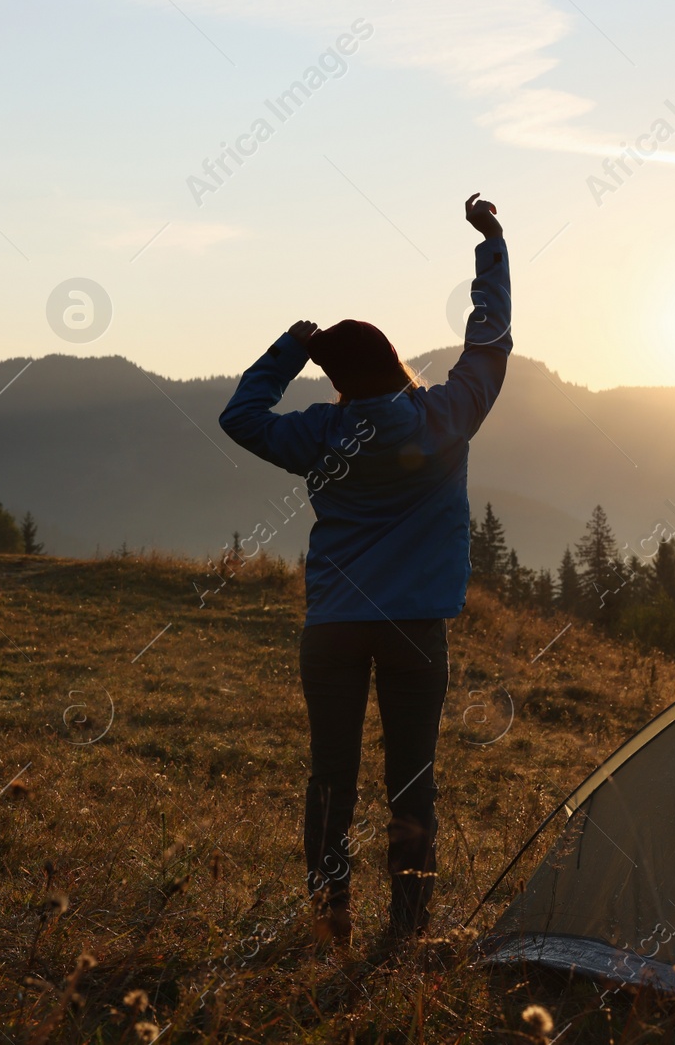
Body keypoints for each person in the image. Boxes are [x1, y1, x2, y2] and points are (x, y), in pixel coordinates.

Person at [218, 193, 511, 947]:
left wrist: (292, 346)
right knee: (412, 778)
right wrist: (490, 245)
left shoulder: (321, 432)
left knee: (331, 778)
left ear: (336, 375)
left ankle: (330, 917)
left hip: (334, 629)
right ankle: (407, 927)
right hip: (415, 629)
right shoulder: (445, 418)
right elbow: (489, 344)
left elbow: (242, 415)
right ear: (391, 359)